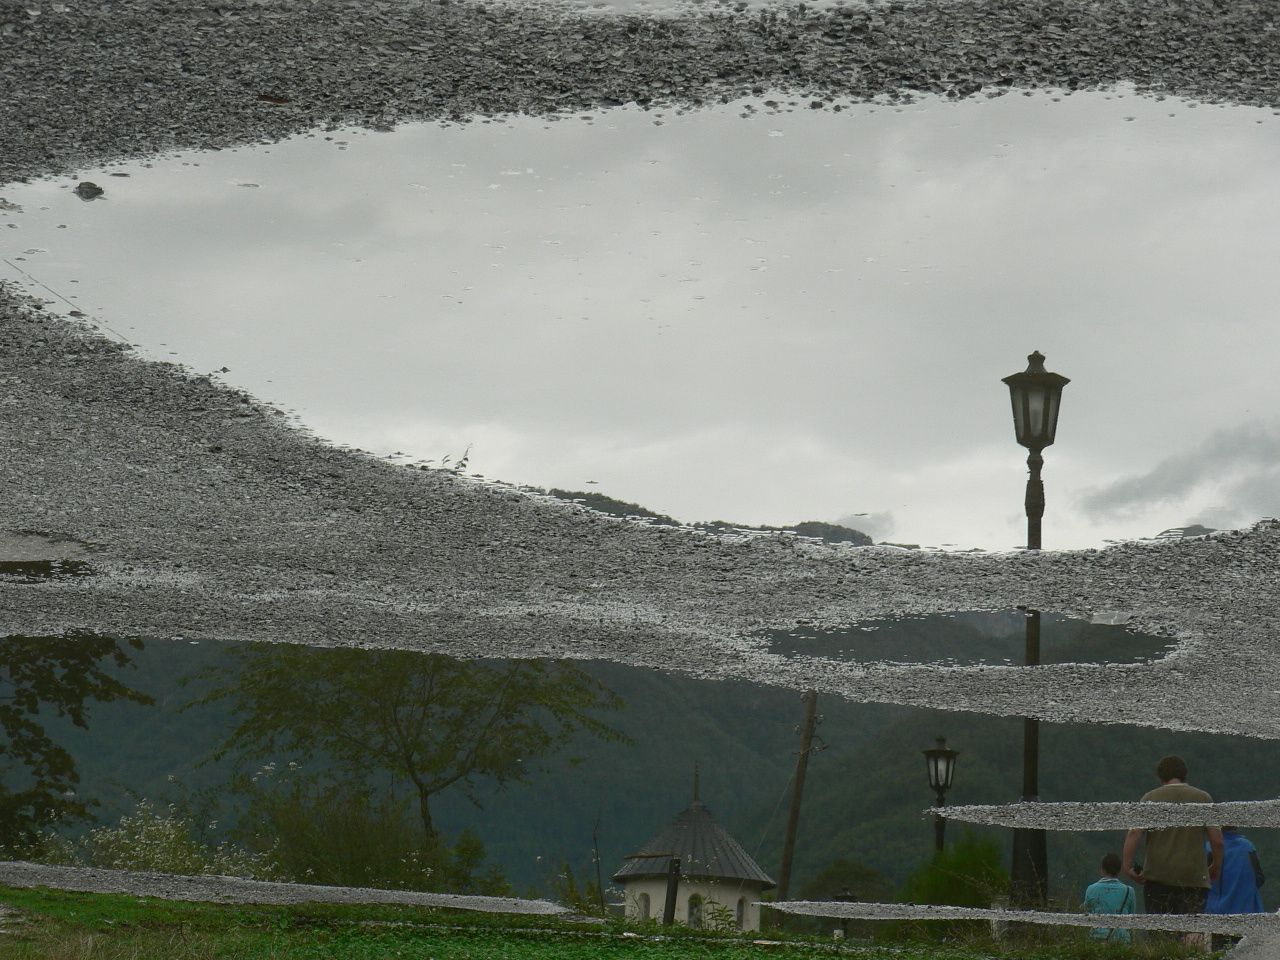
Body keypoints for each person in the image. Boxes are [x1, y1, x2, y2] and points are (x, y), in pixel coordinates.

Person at [1122, 755, 1223, 945]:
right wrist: (1215, 866)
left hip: (1158, 877)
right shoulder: (1203, 798)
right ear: (1185, 774)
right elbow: (1217, 841)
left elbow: (1134, 833)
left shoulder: (1149, 799)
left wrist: (1127, 867)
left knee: (1160, 936)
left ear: (1161, 776)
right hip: (1193, 878)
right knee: (1192, 935)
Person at [1084, 852, 1136, 943]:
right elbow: (1132, 916)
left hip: (1097, 937)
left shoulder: (1091, 889)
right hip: (1122, 939)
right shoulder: (1129, 891)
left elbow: (1087, 912)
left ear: (1102, 869)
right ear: (1119, 870)